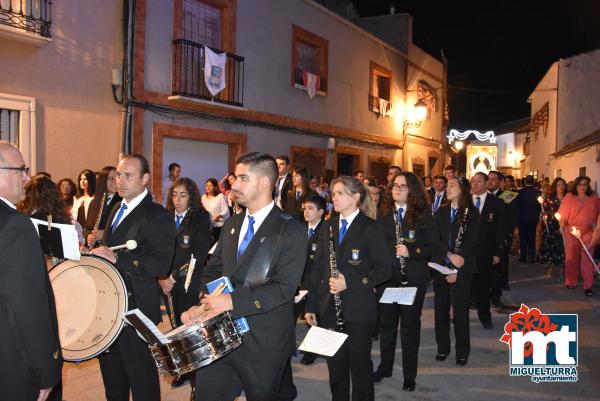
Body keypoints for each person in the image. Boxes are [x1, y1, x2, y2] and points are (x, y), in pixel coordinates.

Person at [181, 152, 306, 401]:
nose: (234, 184)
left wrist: (230, 302)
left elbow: (284, 287)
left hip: (263, 343)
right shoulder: (233, 224)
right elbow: (213, 270)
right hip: (222, 335)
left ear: (263, 182)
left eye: (242, 178)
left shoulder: (290, 229)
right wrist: (205, 303)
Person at [91, 154, 176, 401]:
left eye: (128, 176)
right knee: (113, 381)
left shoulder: (157, 214)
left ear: (145, 179)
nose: (120, 181)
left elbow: (161, 264)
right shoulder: (116, 207)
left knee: (142, 381)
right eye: (118, 175)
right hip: (109, 307)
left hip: (136, 308)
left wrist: (119, 259)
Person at [305, 176, 391, 401]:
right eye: (333, 193)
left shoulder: (370, 227)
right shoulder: (329, 225)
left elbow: (384, 270)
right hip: (330, 307)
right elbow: (319, 268)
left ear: (356, 197)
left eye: (340, 193)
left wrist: (350, 282)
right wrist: (312, 304)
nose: (334, 198)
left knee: (360, 367)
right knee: (336, 367)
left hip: (359, 309)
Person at [0, 141, 62, 401]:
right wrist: (46, 373)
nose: (27, 177)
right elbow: (27, 307)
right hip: (12, 363)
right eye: (22, 169)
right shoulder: (16, 226)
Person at [373, 172, 439, 391]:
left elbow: (433, 246)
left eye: (402, 186)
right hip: (387, 281)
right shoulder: (383, 214)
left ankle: (410, 375)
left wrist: (412, 251)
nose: (397, 189)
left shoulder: (423, 215)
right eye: (394, 185)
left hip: (412, 280)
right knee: (387, 326)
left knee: (410, 328)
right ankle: (385, 367)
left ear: (412, 191)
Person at [279, 193, 326, 400]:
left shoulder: (325, 232)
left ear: (321, 212)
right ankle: (287, 349)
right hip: (295, 284)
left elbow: (320, 265)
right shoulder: (298, 229)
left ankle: (313, 350)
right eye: (304, 208)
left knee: (315, 319)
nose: (306, 212)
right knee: (287, 319)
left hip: (314, 284)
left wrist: (308, 287)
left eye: (310, 208)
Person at [431, 176, 480, 366]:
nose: (447, 188)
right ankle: (442, 348)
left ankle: (462, 351)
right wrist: (449, 256)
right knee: (440, 310)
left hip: (462, 267)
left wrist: (456, 268)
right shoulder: (440, 212)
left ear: (462, 190)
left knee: (460, 312)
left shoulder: (472, 213)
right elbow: (435, 239)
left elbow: (471, 242)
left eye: (452, 186)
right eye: (447, 185)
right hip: (441, 265)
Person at [470, 172, 506, 328]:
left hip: (486, 251)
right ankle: (461, 315)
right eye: (473, 181)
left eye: (478, 181)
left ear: (486, 183)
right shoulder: (465, 202)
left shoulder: (497, 203)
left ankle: (485, 316)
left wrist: (498, 252)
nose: (475, 184)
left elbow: (501, 230)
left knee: (484, 285)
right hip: (466, 252)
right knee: (466, 286)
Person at [557, 176, 600, 296]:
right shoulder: (569, 197)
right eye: (580, 184)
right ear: (576, 186)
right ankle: (571, 281)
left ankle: (588, 286)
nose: (583, 187)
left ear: (588, 185)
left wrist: (597, 230)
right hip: (571, 231)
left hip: (587, 231)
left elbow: (598, 215)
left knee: (587, 258)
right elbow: (562, 214)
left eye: (585, 184)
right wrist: (562, 225)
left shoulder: (593, 198)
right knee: (571, 257)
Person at [85, 166, 122, 247]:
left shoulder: (122, 202)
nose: (115, 182)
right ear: (103, 181)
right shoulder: (93, 203)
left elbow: (125, 228)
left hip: (111, 248)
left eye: (117, 178)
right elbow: (88, 228)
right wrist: (88, 237)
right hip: (95, 248)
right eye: (111, 179)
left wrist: (105, 233)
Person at [538, 178, 567, 279]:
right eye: (558, 185)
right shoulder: (550, 197)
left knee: (563, 248)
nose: (561, 187)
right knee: (552, 247)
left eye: (563, 184)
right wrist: (544, 215)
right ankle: (551, 267)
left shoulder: (568, 197)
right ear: (555, 186)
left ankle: (562, 271)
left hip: (565, 225)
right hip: (552, 225)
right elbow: (544, 210)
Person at [517, 175, 541, 263]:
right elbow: (539, 207)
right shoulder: (538, 193)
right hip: (533, 218)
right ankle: (531, 257)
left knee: (523, 238)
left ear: (525, 182)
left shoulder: (520, 192)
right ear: (533, 182)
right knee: (532, 238)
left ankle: (523, 256)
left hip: (522, 218)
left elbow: (517, 206)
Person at [202, 177, 230, 245]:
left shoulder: (220, 196)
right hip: (208, 227)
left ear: (215, 187)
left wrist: (219, 215)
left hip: (219, 226)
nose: (208, 187)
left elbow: (226, 210)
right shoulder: (203, 197)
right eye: (206, 185)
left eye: (210, 185)